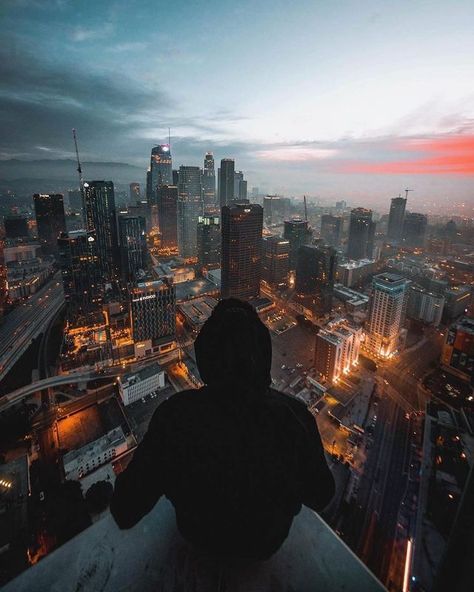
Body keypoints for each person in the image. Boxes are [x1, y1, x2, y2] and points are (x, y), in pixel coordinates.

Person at [110, 298, 335, 561]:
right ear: (263, 355)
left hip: (198, 540)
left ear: (205, 354)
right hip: (264, 546)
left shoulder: (175, 417)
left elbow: (124, 510)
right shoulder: (293, 418)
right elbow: (321, 495)